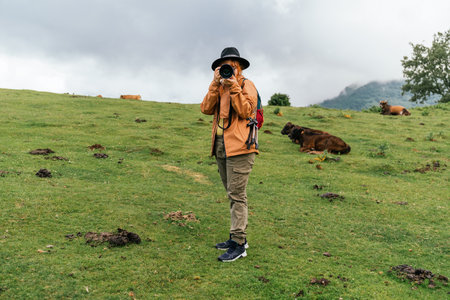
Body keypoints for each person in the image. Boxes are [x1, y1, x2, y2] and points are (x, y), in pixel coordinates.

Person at [200, 47, 259, 262]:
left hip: (241, 147)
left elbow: (246, 111)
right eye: (225, 64)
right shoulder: (219, 86)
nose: (229, 67)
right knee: (231, 193)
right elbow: (206, 109)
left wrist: (234, 86)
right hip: (220, 144)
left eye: (233, 64)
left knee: (237, 195)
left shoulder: (246, 85)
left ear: (240, 66)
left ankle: (239, 243)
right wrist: (215, 85)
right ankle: (235, 236)